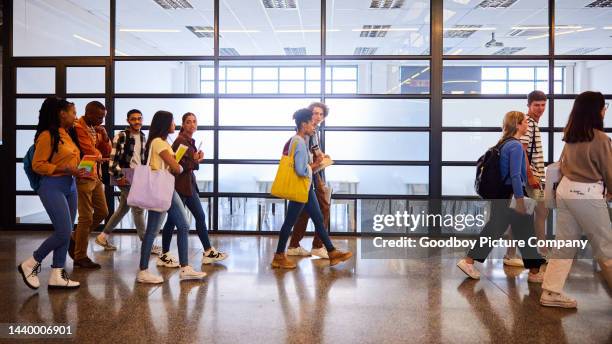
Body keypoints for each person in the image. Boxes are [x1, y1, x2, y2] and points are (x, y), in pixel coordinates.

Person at [540, 91, 612, 309]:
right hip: (587, 195)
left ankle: (551, 291)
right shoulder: (600, 138)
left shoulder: (571, 134)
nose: (605, 109)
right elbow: (609, 172)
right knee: (606, 247)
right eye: (603, 106)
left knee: (564, 243)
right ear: (597, 110)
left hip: (565, 191)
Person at [457, 111, 546, 282]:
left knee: (505, 229)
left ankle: (534, 271)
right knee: (520, 231)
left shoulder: (505, 143)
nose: (528, 125)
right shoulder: (516, 146)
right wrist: (520, 200)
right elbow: (514, 176)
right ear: (518, 125)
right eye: (525, 122)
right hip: (510, 195)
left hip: (503, 195)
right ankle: (534, 272)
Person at [272, 108, 353, 269]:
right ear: (303, 124)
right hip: (301, 189)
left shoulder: (296, 140)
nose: (313, 126)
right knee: (289, 223)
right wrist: (317, 164)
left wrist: (317, 164)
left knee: (318, 220)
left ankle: (332, 252)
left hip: (306, 188)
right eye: (311, 123)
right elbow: (301, 170)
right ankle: (279, 256)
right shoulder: (300, 143)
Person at [18, 97, 83, 289]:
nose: (75, 116)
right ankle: (30, 264)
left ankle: (57, 274)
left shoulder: (67, 134)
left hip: (70, 185)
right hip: (52, 186)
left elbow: (70, 159)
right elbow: (38, 165)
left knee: (66, 231)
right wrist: (64, 168)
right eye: (73, 112)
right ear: (62, 114)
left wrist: (82, 167)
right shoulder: (47, 135)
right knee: (63, 232)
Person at [137, 110, 207, 284]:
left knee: (177, 226)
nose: (174, 125)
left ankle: (183, 268)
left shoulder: (161, 142)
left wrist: (181, 163)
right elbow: (175, 167)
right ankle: (145, 270)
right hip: (162, 188)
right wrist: (183, 164)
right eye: (173, 122)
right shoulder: (159, 143)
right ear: (165, 124)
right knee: (160, 229)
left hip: (165, 187)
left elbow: (172, 165)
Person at [160, 112, 228, 267]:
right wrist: (196, 161)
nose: (192, 124)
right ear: (183, 125)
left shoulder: (189, 141)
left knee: (200, 216)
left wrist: (195, 159)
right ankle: (164, 254)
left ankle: (208, 251)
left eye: (194, 121)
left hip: (189, 186)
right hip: (179, 186)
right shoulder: (180, 141)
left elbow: (187, 162)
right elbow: (176, 166)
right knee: (172, 221)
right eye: (188, 122)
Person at [95, 109, 162, 254]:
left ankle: (102, 236)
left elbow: (142, 160)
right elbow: (113, 160)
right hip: (123, 175)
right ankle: (146, 243)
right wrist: (119, 177)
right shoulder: (121, 136)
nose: (137, 121)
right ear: (128, 121)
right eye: (133, 119)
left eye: (139, 118)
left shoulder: (144, 137)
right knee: (138, 208)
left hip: (138, 176)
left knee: (123, 208)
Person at [504, 90, 549, 267]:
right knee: (539, 213)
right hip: (532, 179)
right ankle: (541, 252)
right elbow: (521, 149)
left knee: (530, 213)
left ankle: (515, 253)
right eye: (536, 105)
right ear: (528, 105)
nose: (540, 108)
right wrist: (530, 175)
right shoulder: (528, 123)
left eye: (543, 105)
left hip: (535, 177)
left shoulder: (532, 123)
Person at [69, 101, 112, 269]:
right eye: (99, 117)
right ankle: (80, 256)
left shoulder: (97, 128)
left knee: (103, 211)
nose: (102, 120)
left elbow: (105, 151)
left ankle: (75, 236)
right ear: (89, 113)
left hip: (95, 174)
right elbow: (89, 151)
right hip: (83, 175)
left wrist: (105, 136)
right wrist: (99, 154)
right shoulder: (79, 127)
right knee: (86, 217)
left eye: (103, 117)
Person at [287, 102, 332, 259]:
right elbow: (303, 159)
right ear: (308, 115)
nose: (318, 117)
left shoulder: (314, 131)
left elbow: (314, 150)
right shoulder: (305, 132)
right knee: (323, 208)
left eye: (321, 114)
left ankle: (294, 245)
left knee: (305, 212)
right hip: (310, 174)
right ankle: (318, 246)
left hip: (313, 173)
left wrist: (321, 156)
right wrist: (316, 162)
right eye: (315, 113)